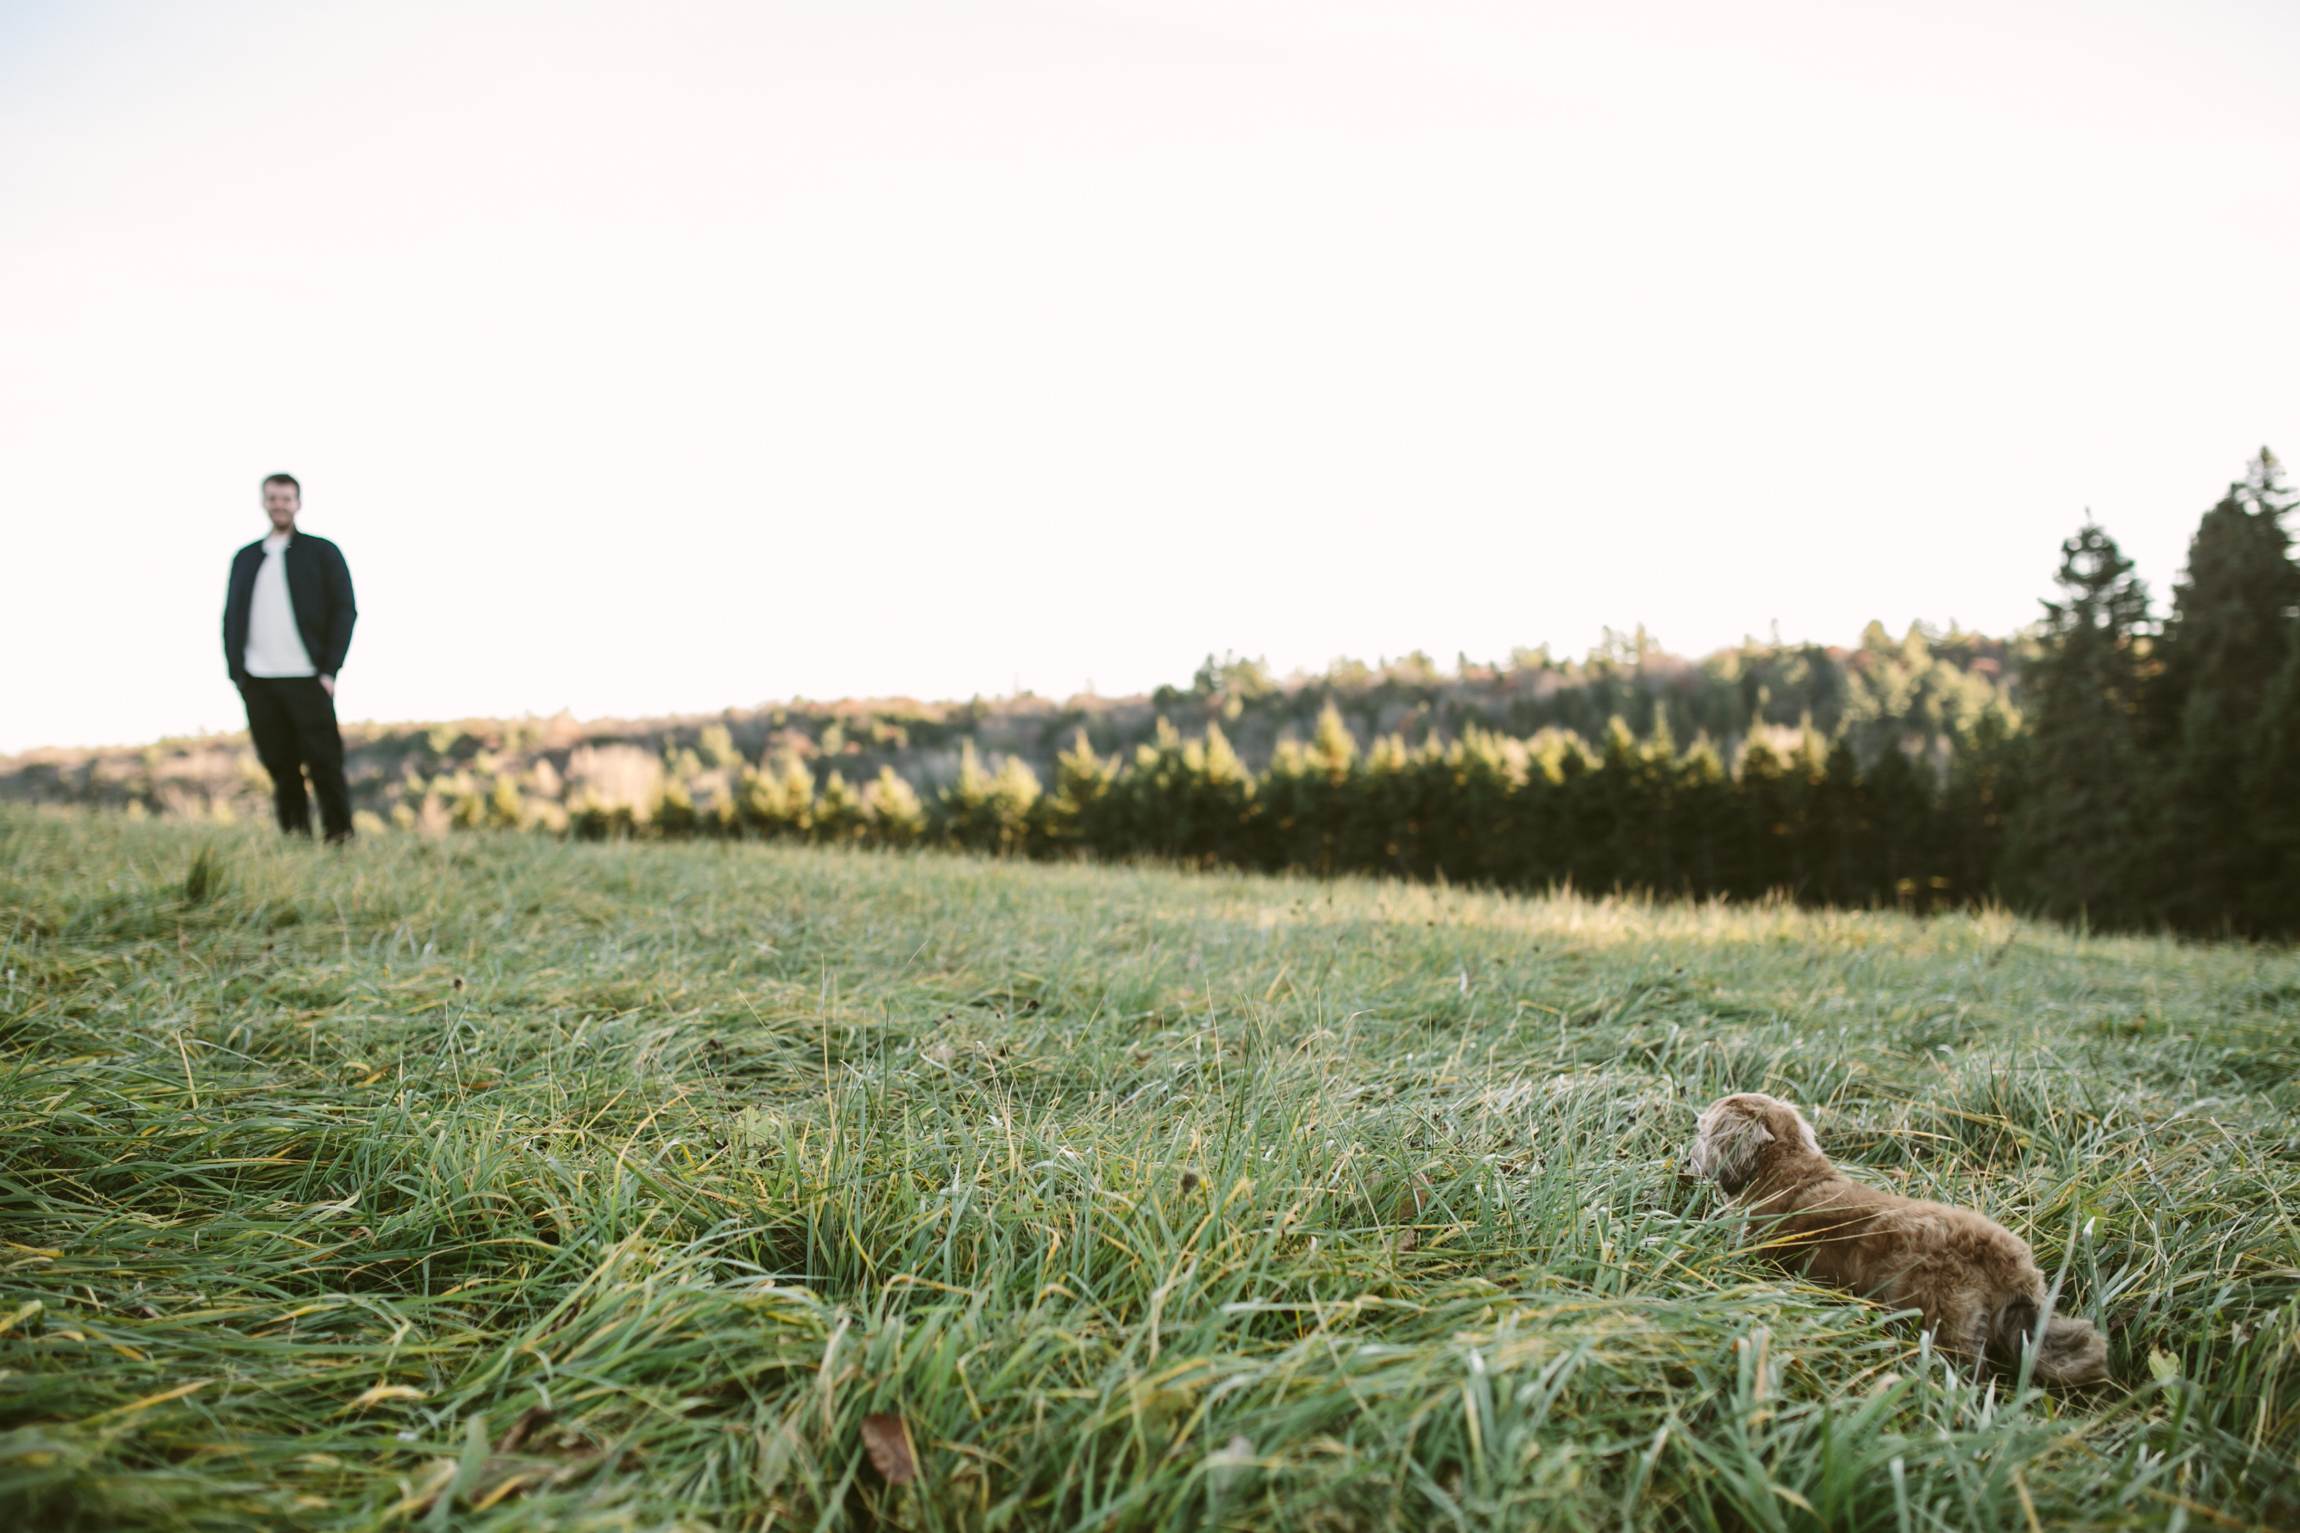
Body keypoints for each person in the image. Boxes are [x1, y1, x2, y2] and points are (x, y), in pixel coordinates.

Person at [222, 473, 358, 842]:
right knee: (280, 767)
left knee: (325, 764)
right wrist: (238, 673)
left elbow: (345, 609)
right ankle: (296, 840)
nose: (279, 504)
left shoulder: (322, 552)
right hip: (258, 680)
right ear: (263, 502)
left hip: (308, 676)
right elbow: (231, 616)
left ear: (298, 503)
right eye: (272, 498)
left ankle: (340, 839)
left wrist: (329, 669)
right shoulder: (247, 557)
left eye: (286, 498)